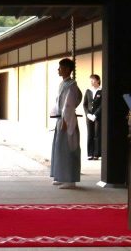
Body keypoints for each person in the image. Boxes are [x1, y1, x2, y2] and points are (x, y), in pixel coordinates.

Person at [50, 58, 82, 189]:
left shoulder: (71, 85)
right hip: (61, 120)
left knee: (68, 149)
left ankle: (70, 179)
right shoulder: (64, 84)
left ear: (68, 69)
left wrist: (65, 120)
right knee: (59, 149)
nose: (59, 70)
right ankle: (61, 176)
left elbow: (68, 105)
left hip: (67, 121)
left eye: (61, 68)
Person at [83, 74, 101, 160]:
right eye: (91, 80)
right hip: (89, 116)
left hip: (98, 117)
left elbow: (102, 105)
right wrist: (88, 114)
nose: (91, 81)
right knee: (90, 134)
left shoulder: (101, 91)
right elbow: (85, 104)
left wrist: (95, 115)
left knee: (97, 134)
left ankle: (96, 154)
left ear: (98, 80)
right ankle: (90, 153)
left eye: (93, 80)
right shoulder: (88, 91)